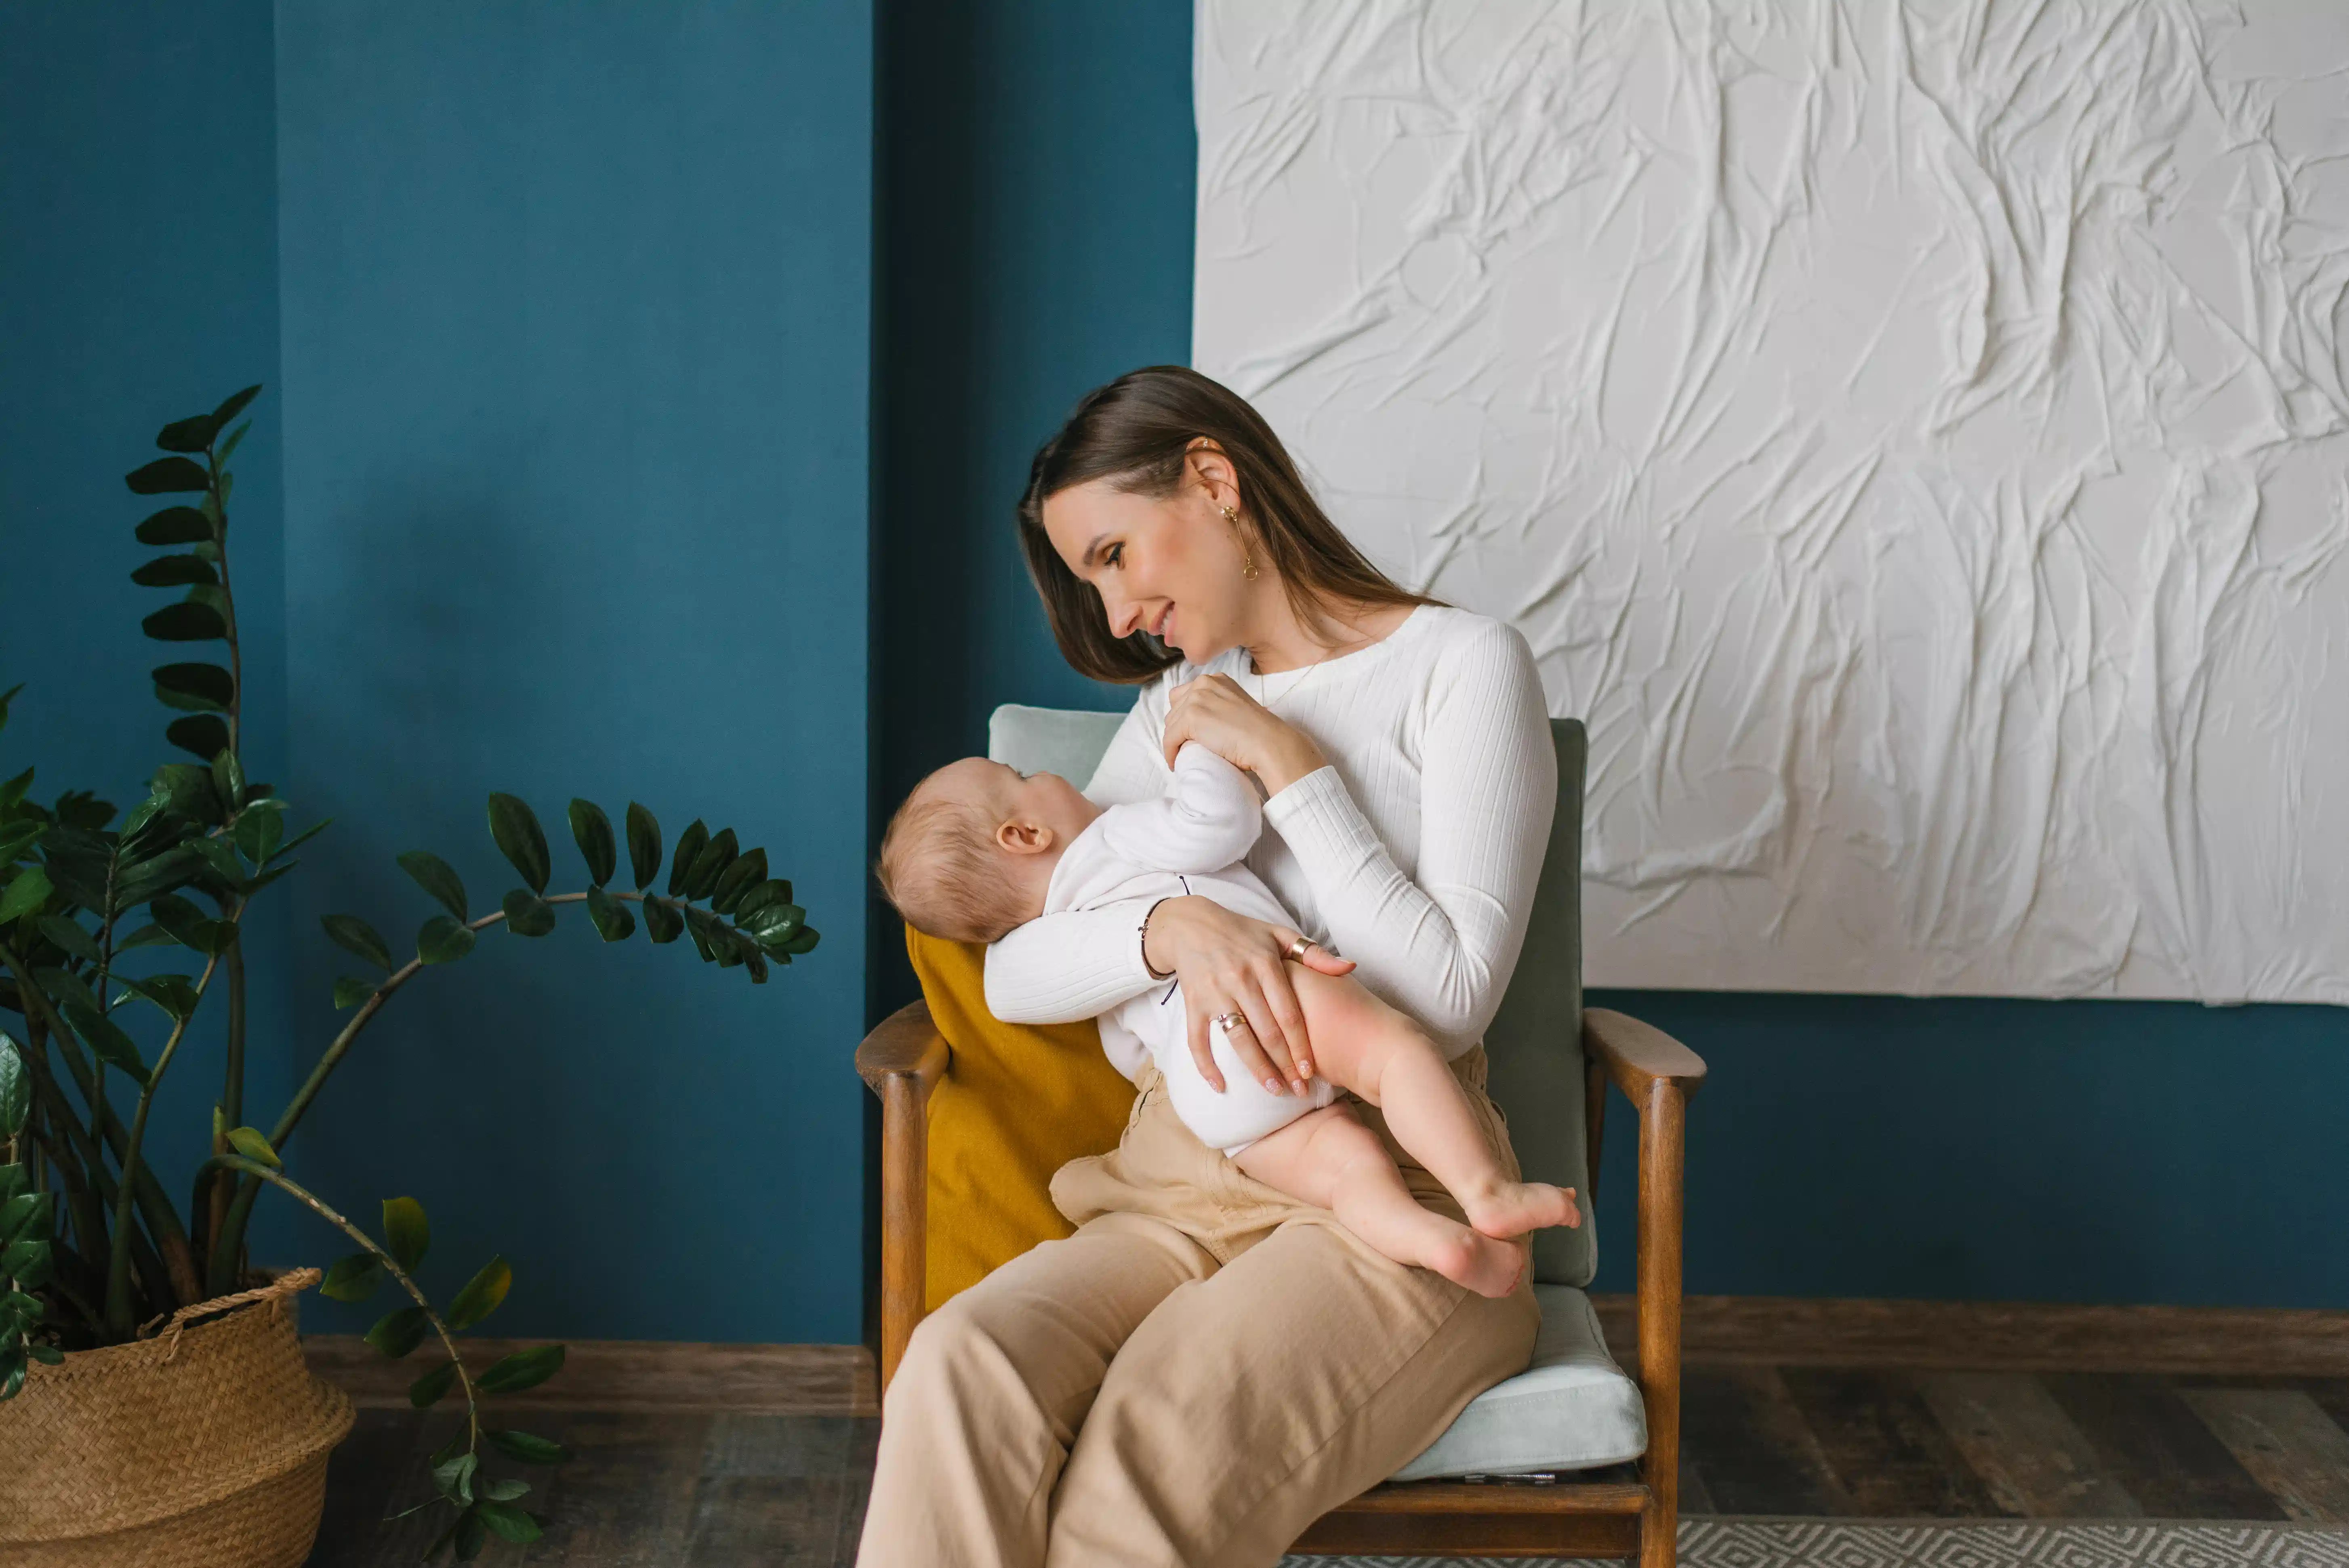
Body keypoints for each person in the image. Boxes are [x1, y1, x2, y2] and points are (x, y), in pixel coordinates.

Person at [858, 364, 1558, 1567]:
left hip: (1394, 1203)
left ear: (1214, 480)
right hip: (1174, 1187)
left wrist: (1297, 772)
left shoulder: (1464, 666)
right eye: (1096, 580)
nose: (1120, 611)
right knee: (959, 1365)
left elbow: (1444, 1003)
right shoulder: (1174, 708)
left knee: (1145, 1456)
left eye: (1117, 554)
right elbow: (1023, 971)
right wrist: (1166, 931)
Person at [873, 739, 1581, 1299]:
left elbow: (1127, 1049)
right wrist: (1201, 747)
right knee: (1395, 1052)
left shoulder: (1066, 940)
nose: (1048, 773)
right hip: (1268, 997)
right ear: (1025, 833)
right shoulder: (1113, 839)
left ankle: (1428, 1240)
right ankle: (1483, 1192)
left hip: (1209, 1092)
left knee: (1346, 1169)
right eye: (1021, 772)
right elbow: (1222, 823)